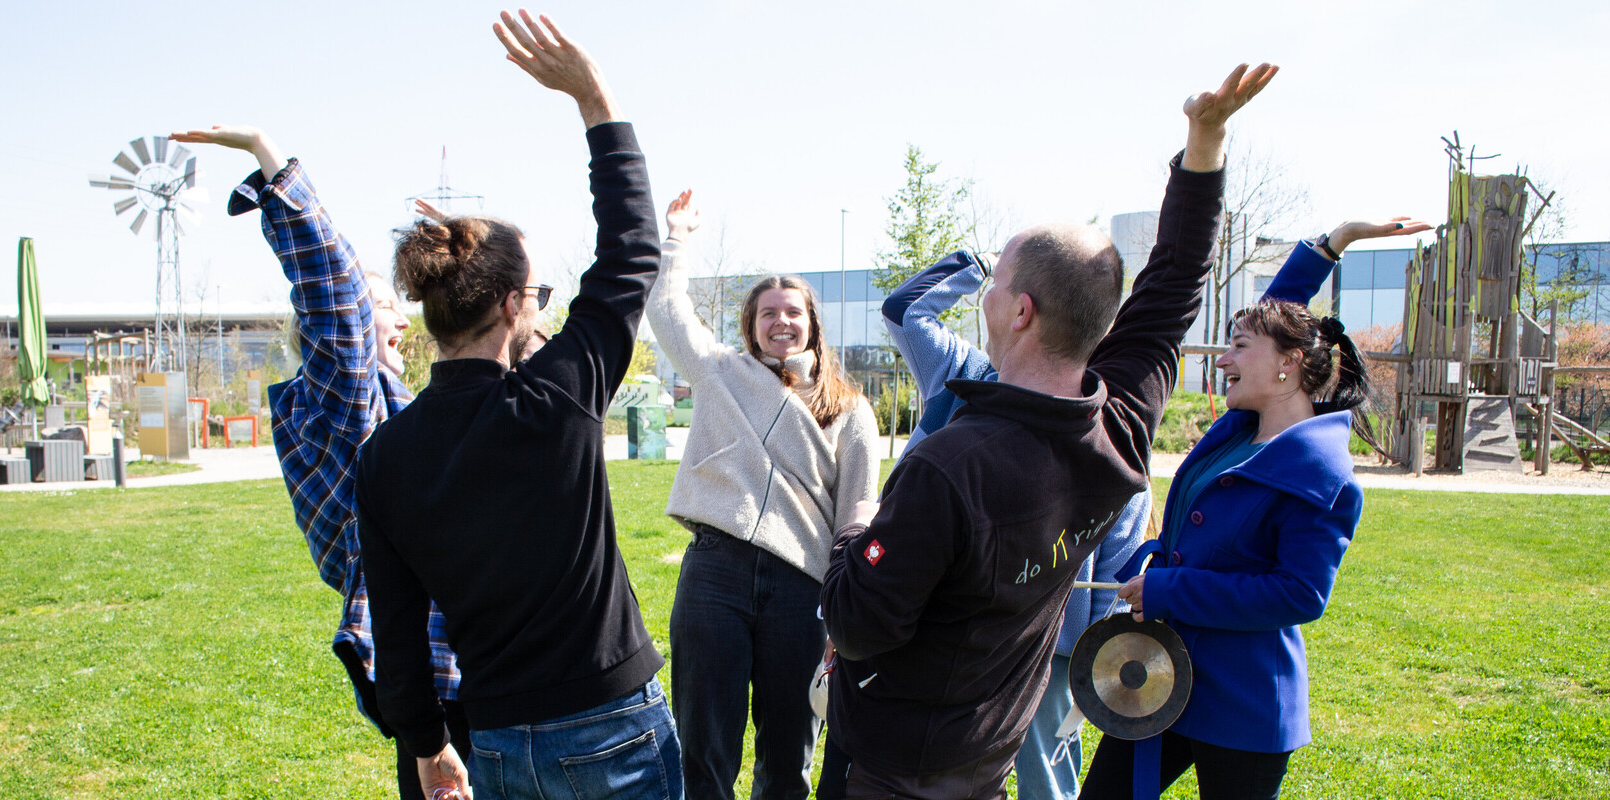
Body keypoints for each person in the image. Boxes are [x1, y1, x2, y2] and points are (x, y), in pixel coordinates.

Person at [818, 62, 1278, 800]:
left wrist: (856, 526)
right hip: (988, 761)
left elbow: (859, 624)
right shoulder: (1117, 426)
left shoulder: (949, 467)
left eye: (995, 283)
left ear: (1021, 311)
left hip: (892, 775)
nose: (988, 298)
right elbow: (1174, 280)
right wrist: (1206, 141)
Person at [354, 11, 676, 800]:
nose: (540, 303)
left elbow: (396, 634)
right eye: (535, 291)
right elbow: (633, 249)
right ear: (509, 307)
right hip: (609, 727)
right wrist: (594, 98)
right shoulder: (558, 395)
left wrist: (429, 745)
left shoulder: (385, 456)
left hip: (492, 741)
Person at [1081, 215, 1430, 800]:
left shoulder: (1321, 473)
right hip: (1164, 675)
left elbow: (1298, 595)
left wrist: (1170, 590)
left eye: (1238, 348)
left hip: (1244, 707)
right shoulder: (1238, 430)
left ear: (1288, 363)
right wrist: (1330, 245)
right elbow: (1276, 316)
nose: (1223, 362)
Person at [168, 123, 466, 800]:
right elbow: (336, 294)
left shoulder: (393, 402)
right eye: (382, 305)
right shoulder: (344, 402)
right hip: (440, 673)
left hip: (452, 662)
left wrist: (472, 258)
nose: (396, 315)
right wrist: (269, 158)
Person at [850, 250, 1147, 800]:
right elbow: (904, 310)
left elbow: (1117, 545)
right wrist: (980, 266)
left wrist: (1083, 646)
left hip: (1047, 649)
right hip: (938, 634)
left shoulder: (1099, 428)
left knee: (1044, 779)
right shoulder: (962, 372)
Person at [646, 191, 880, 800]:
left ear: (813, 324)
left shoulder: (851, 410)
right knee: (706, 748)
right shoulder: (719, 372)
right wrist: (677, 238)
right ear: (749, 325)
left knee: (787, 755)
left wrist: (844, 607)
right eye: (767, 312)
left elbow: (860, 512)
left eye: (793, 312)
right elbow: (667, 310)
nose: (781, 322)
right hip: (714, 574)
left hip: (802, 588)